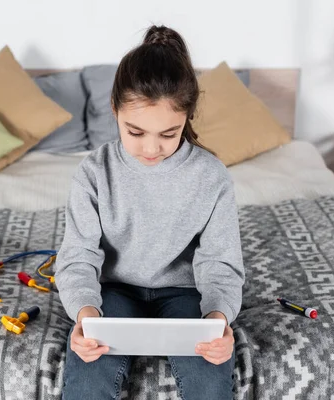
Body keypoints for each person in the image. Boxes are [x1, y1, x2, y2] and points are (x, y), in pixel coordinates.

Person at [54, 24, 245, 400]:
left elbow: (220, 262)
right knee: (89, 377)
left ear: (187, 118)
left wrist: (219, 320)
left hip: (184, 292)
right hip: (114, 290)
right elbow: (78, 255)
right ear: (114, 110)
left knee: (210, 379)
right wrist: (84, 313)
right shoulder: (94, 172)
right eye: (136, 132)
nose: (152, 149)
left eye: (169, 133)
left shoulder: (212, 177)